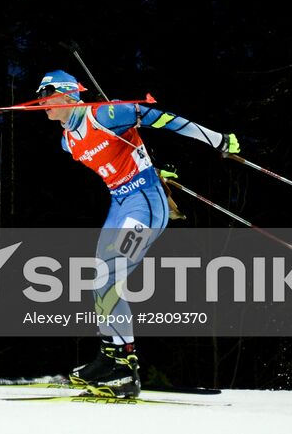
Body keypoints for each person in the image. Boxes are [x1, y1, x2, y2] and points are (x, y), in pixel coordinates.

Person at [36, 69, 239, 398]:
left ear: (67, 94)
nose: (41, 101)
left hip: (144, 206)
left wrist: (216, 138)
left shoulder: (103, 114)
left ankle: (125, 368)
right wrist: (147, 160)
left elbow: (160, 118)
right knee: (99, 278)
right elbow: (121, 154)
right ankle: (111, 356)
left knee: (111, 273)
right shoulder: (67, 142)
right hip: (120, 203)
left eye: (46, 93)